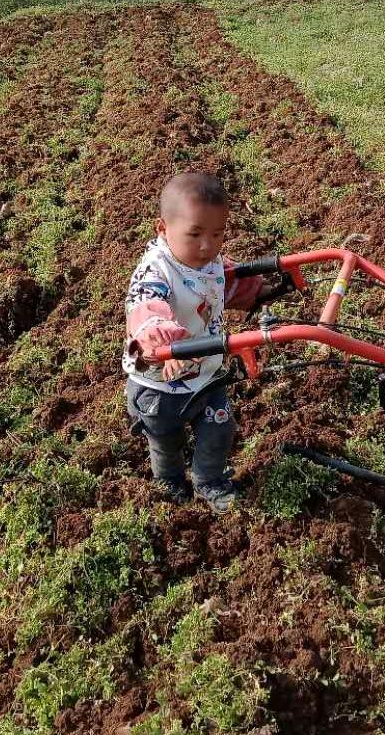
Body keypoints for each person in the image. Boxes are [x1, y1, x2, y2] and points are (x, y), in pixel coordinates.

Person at [123, 172, 275, 513]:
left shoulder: (208, 261)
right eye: (195, 234)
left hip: (205, 375)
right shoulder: (155, 270)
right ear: (162, 229)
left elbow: (223, 285)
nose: (208, 245)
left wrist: (262, 292)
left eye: (218, 233)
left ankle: (208, 481)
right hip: (159, 386)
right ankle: (171, 483)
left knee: (220, 427)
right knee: (166, 441)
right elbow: (146, 308)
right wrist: (162, 344)